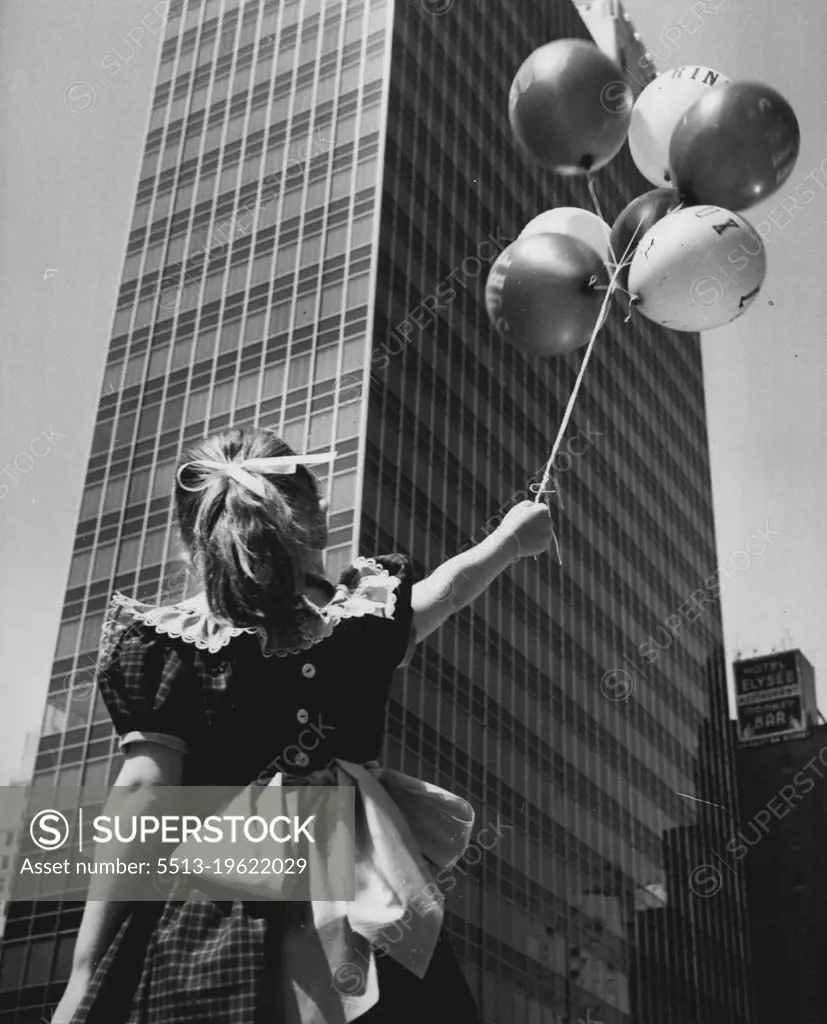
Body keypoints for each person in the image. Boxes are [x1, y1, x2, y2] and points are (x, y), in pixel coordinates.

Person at [52, 426, 556, 1024]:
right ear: (315, 518)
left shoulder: (169, 649)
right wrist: (509, 539)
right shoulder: (360, 628)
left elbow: (143, 797)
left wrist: (83, 971)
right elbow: (444, 593)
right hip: (367, 912)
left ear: (192, 539)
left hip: (213, 928)